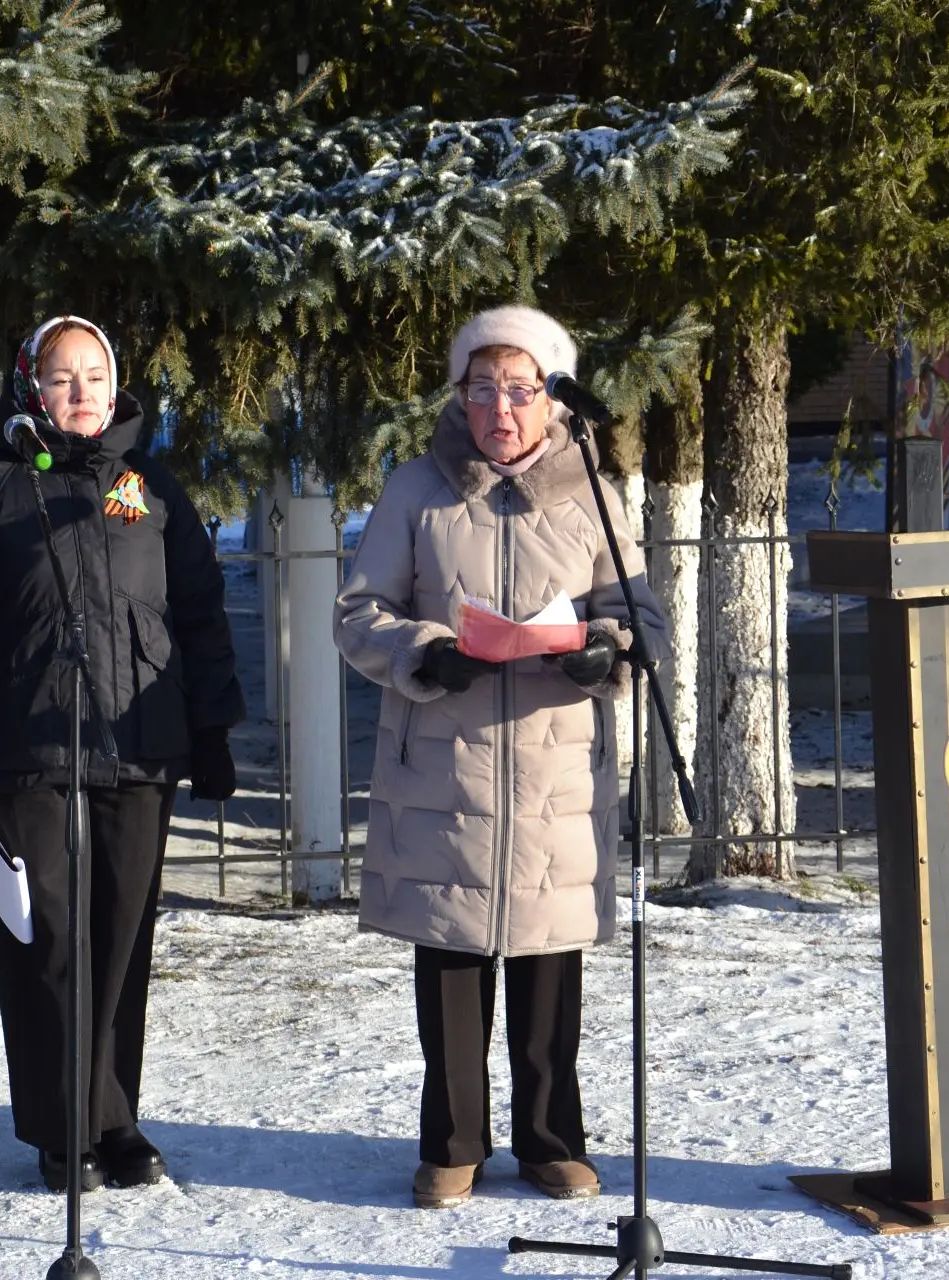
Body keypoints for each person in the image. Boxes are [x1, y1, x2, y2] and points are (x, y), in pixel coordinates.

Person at [335, 305, 667, 1209]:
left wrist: (603, 649)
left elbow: (637, 615)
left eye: (519, 389)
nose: (500, 408)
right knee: (450, 957)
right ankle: (451, 1146)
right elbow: (358, 613)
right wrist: (426, 652)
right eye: (481, 389)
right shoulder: (417, 491)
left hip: (555, 773)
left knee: (549, 958)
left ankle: (553, 1140)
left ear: (553, 399)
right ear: (459, 397)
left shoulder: (591, 490)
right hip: (445, 768)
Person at [0, 315, 243, 1194]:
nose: (81, 393)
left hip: (137, 747)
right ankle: (62, 1127)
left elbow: (199, 611)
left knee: (120, 942)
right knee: (50, 945)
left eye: (95, 376)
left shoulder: (150, 486)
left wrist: (212, 728)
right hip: (24, 748)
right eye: (62, 377)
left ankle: (116, 1116)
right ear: (30, 385)